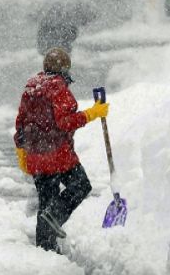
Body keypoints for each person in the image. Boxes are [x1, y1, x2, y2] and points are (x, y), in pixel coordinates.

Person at [13, 47, 109, 252]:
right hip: (58, 156)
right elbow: (65, 122)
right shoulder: (58, 88)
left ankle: (45, 248)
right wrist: (92, 113)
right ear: (65, 69)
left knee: (46, 201)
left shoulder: (31, 89)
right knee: (81, 186)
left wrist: (21, 150)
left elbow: (20, 123)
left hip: (35, 157)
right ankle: (55, 216)